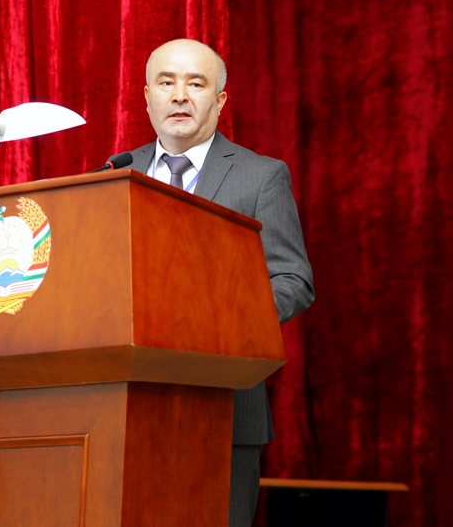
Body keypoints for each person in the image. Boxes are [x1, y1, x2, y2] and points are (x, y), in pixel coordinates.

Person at [125, 39, 315, 526]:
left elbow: (292, 280)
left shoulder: (261, 176)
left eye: (196, 83)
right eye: (166, 82)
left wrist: (218, 321)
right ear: (147, 96)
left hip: (225, 410)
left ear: (220, 99)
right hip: (127, 410)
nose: (179, 95)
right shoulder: (117, 171)